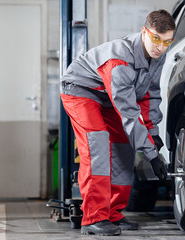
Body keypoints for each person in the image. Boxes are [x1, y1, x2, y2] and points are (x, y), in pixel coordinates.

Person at [60, 9, 175, 236]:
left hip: (108, 98)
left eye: (166, 42)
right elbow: (129, 113)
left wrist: (153, 132)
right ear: (144, 32)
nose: (160, 47)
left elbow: (149, 95)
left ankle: (112, 213)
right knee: (98, 145)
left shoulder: (157, 57)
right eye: (155, 39)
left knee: (124, 147)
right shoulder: (120, 60)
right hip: (81, 91)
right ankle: (93, 218)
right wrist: (151, 154)